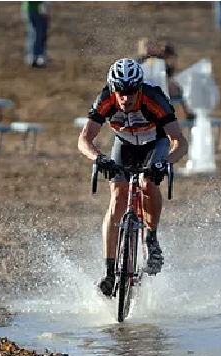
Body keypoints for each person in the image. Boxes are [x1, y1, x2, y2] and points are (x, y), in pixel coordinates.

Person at [78, 58, 188, 297]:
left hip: (154, 143)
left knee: (147, 182)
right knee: (118, 195)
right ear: (113, 89)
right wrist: (98, 158)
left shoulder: (155, 99)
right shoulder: (105, 100)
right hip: (124, 144)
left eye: (131, 92)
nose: (126, 98)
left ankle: (152, 238)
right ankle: (109, 272)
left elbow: (180, 142)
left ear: (140, 88)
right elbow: (84, 140)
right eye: (120, 92)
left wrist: (165, 162)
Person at [136, 38, 195, 122]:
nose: (149, 48)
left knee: (175, 87)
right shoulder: (138, 62)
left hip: (160, 86)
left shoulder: (158, 60)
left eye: (150, 46)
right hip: (144, 88)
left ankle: (187, 112)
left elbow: (169, 72)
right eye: (146, 46)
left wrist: (171, 58)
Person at [22, 1, 50, 68]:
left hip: (37, 8)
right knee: (37, 33)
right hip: (37, 8)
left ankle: (35, 55)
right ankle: (36, 56)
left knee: (36, 33)